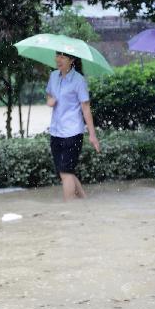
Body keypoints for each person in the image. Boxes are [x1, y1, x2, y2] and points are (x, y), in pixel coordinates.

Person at [45, 52, 101, 200]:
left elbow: (86, 108)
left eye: (63, 57)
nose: (58, 59)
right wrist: (49, 100)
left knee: (65, 172)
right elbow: (49, 95)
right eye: (57, 55)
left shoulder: (79, 81)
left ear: (72, 60)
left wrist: (92, 135)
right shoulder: (53, 76)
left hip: (73, 132)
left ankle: (69, 210)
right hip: (56, 131)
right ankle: (84, 201)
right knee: (63, 172)